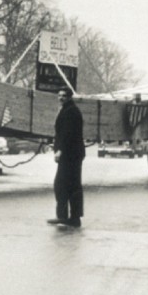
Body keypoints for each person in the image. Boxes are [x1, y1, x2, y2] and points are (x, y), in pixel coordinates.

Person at [48, 87, 86, 229]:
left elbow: (67, 134)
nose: (60, 98)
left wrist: (60, 151)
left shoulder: (71, 112)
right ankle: (71, 218)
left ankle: (66, 217)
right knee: (71, 185)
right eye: (59, 95)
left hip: (70, 155)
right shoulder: (68, 110)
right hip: (73, 154)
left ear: (70, 97)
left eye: (64, 96)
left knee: (63, 184)